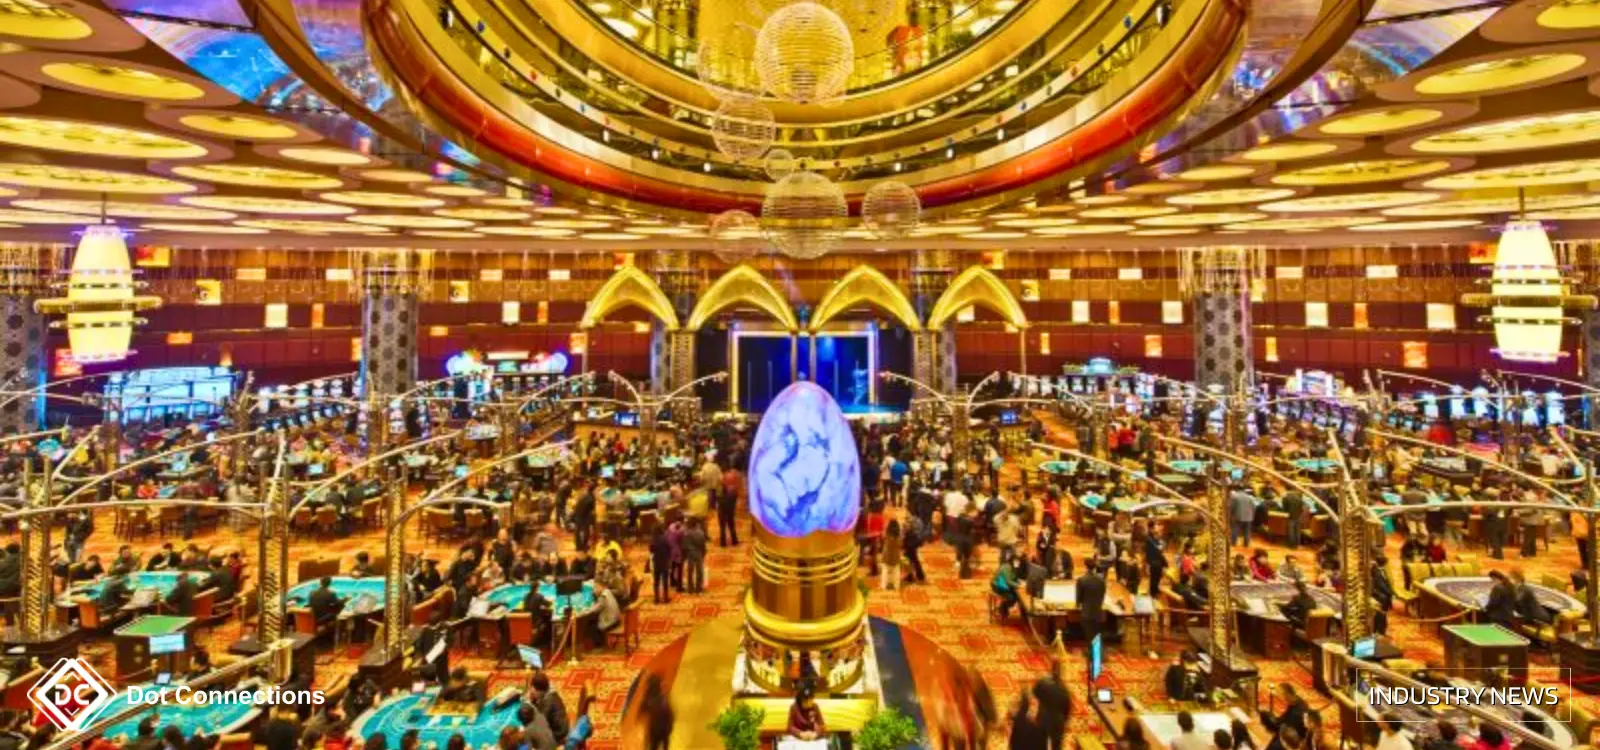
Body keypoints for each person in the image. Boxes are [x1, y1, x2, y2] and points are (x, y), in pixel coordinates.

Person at [1032, 661, 1071, 750]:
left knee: (1040, 742)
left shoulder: (1042, 683)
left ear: (1051, 670)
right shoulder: (1064, 691)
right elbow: (1067, 710)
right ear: (1060, 673)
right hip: (1058, 721)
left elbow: (1034, 694)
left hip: (1043, 718)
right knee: (1057, 746)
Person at [529, 672, 569, 744]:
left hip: (558, 733)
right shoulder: (550, 692)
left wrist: (532, 701)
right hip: (561, 727)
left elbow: (539, 721)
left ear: (539, 690)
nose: (531, 691)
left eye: (533, 689)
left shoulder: (548, 701)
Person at [1077, 562, 1107, 645]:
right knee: (1097, 634)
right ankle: (1097, 655)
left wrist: (1078, 605)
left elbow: (1079, 598)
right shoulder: (1101, 580)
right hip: (1098, 611)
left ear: (1085, 568)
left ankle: (1092, 655)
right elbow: (1103, 593)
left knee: (1089, 635)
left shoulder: (1082, 580)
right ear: (1094, 568)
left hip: (1086, 612)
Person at [640, 675, 673, 750]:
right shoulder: (662, 699)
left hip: (655, 729)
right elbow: (669, 714)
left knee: (654, 746)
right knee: (664, 745)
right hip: (663, 729)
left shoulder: (648, 699)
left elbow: (642, 711)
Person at [589, 582, 621, 648]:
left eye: (596, 587)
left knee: (591, 626)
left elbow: (595, 609)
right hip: (617, 620)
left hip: (610, 622)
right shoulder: (608, 591)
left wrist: (587, 609)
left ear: (602, 586)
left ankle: (600, 645)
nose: (594, 590)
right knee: (595, 620)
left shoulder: (603, 596)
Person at [991, 553, 1020, 621]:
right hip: (997, 584)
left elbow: (1013, 578)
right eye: (1016, 561)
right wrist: (1019, 585)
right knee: (1012, 597)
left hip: (1003, 584)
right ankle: (1002, 608)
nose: (1018, 563)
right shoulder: (1007, 567)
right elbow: (1008, 581)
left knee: (1016, 595)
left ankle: (1002, 609)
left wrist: (1018, 582)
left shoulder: (1012, 567)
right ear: (1012, 561)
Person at [682, 518, 707, 594]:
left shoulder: (687, 533)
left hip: (690, 554)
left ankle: (690, 589)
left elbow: (684, 546)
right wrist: (703, 553)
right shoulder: (700, 533)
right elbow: (703, 544)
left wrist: (684, 556)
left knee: (690, 571)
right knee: (699, 571)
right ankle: (698, 588)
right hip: (699, 553)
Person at [648, 527, 672, 604]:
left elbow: (651, 550)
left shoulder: (653, 540)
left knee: (656, 581)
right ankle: (665, 598)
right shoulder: (665, 538)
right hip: (664, 561)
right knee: (665, 581)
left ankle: (656, 598)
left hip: (657, 562)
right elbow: (669, 548)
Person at [881, 519, 903, 591]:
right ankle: (896, 585)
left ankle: (884, 585)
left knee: (885, 570)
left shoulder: (886, 534)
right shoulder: (899, 536)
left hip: (887, 554)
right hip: (895, 555)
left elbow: (882, 537)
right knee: (896, 570)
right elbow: (901, 544)